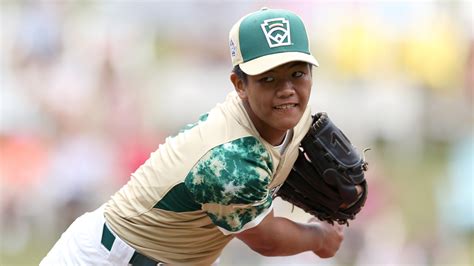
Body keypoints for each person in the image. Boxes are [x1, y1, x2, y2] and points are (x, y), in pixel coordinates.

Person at [41, 7, 345, 265]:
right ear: (240, 85)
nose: (287, 89)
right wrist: (319, 236)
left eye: (297, 73)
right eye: (268, 78)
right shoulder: (228, 159)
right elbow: (266, 239)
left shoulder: (294, 116)